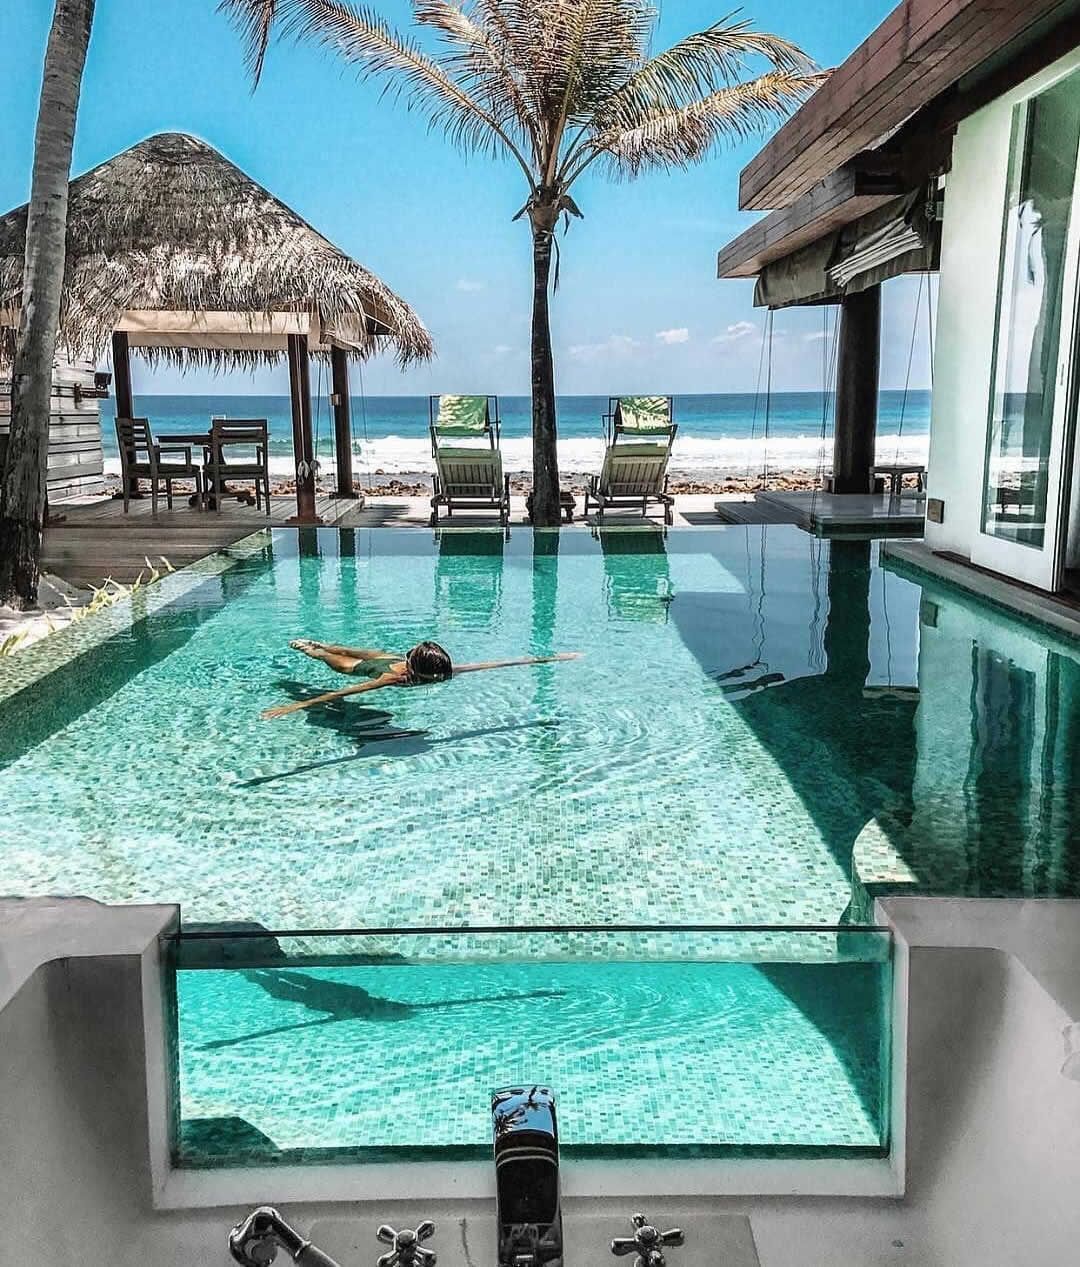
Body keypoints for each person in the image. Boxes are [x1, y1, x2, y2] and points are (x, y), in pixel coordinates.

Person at [261, 639, 582, 720]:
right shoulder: (391, 679)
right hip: (369, 668)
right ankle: (313, 647)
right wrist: (295, 706)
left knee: (352, 648)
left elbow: (499, 663)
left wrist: (551, 658)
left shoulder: (442, 671)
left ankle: (320, 643)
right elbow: (346, 691)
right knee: (336, 658)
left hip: (389, 656)